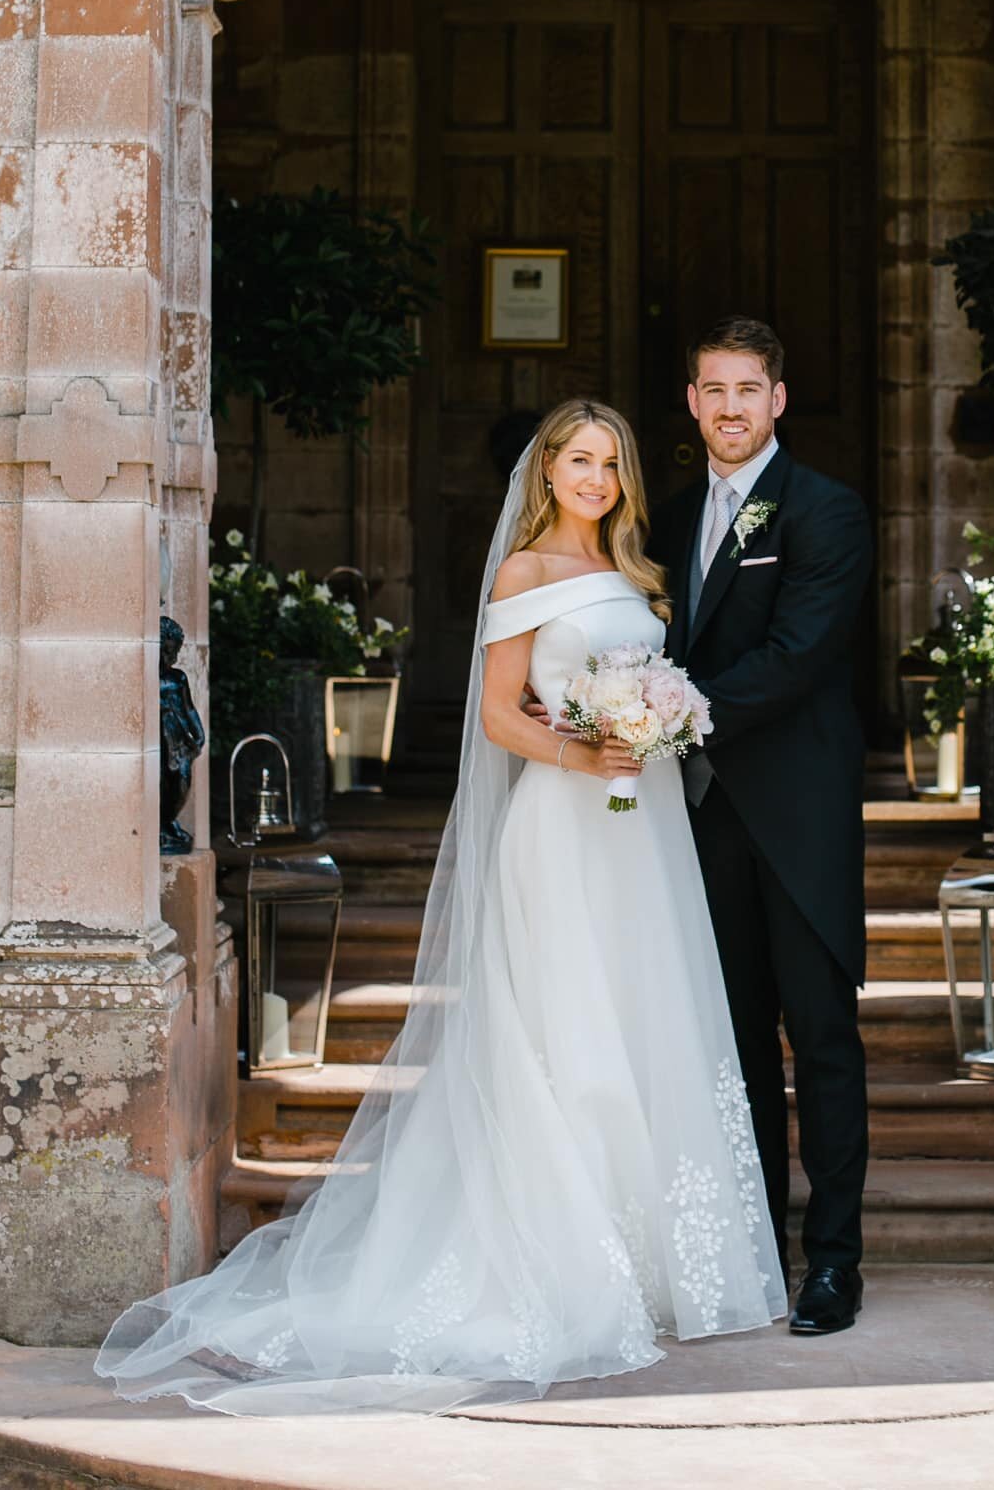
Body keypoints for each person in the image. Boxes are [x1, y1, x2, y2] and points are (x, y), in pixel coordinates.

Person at [96, 398, 784, 1416]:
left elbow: (654, 683)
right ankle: (559, 1261)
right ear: (548, 471)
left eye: (612, 465)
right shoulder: (522, 574)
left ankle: (649, 1260)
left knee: (649, 1019)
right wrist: (582, 748)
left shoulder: (643, 576)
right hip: (561, 822)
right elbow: (503, 712)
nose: (597, 480)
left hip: (641, 831)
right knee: (565, 1035)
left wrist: (656, 727)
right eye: (580, 462)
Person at [650, 317, 872, 1337]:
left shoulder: (825, 512)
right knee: (730, 1045)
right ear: (692, 402)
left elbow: (796, 656)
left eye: (750, 388)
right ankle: (754, 1251)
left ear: (778, 399)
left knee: (821, 1040)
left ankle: (834, 1264)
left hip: (798, 817)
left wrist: (669, 706)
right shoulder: (672, 514)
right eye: (714, 389)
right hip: (700, 821)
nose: (732, 406)